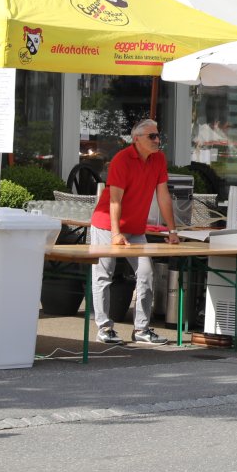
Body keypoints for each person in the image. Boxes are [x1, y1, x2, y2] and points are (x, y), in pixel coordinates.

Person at [89, 119, 181, 345]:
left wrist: (172, 230)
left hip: (136, 228)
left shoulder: (158, 159)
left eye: (158, 135)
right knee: (104, 275)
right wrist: (116, 233)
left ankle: (141, 329)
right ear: (136, 139)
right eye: (152, 136)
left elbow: (163, 196)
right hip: (107, 225)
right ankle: (104, 328)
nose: (157, 140)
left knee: (146, 273)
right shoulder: (122, 159)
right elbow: (115, 199)